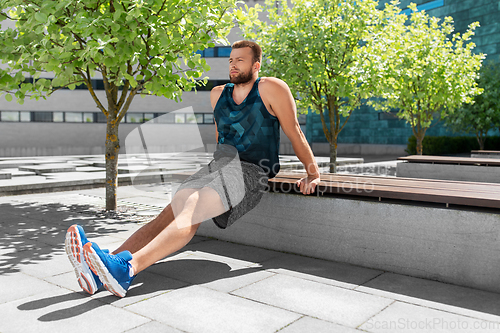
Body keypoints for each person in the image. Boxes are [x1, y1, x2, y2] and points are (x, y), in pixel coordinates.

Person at [65, 40, 321, 297]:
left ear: (256, 64)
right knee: (167, 215)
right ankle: (100, 273)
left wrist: (312, 172)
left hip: (251, 171)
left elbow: (294, 130)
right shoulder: (218, 94)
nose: (233, 64)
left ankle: (126, 269)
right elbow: (223, 138)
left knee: (193, 207)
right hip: (216, 167)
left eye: (240, 60)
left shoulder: (271, 88)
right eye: (231, 60)